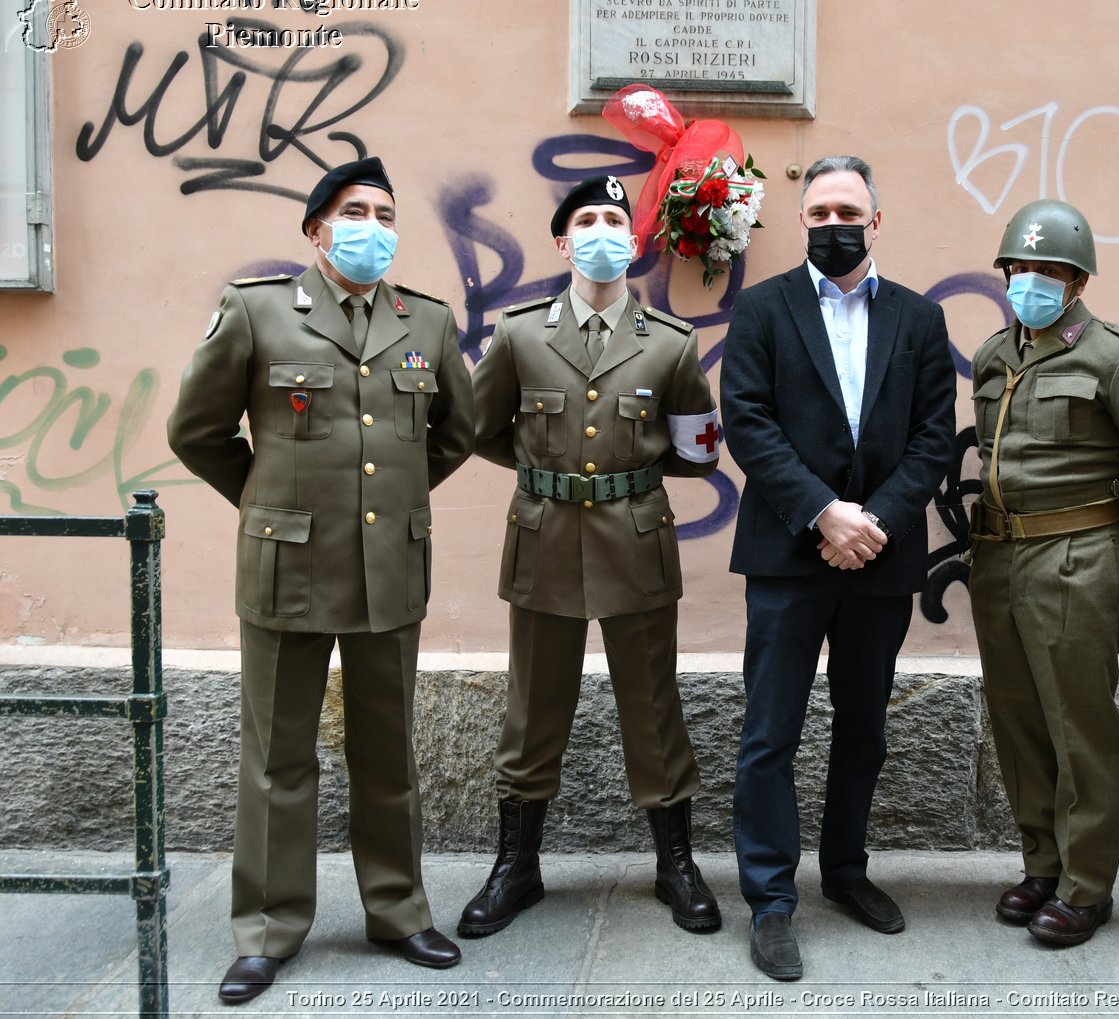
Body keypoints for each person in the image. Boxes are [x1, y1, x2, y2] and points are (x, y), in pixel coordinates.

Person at [166, 157, 475, 1005]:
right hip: (287, 565)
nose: (371, 226)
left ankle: (399, 910)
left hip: (388, 568)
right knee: (277, 758)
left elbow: (456, 431)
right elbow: (197, 430)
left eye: (384, 211)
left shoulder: (427, 323)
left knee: (390, 754)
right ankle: (267, 928)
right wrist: (268, 500)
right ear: (315, 229)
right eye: (352, 211)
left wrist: (393, 501)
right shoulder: (260, 311)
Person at [461, 174, 723, 939]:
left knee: (653, 705)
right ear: (562, 241)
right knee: (533, 706)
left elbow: (700, 451)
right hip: (543, 537)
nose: (604, 230)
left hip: (636, 539)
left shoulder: (673, 342)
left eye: (616, 218)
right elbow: (478, 427)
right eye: (588, 220)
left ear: (633, 240)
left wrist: (625, 476)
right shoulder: (518, 334)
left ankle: (675, 862)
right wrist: (545, 470)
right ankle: (518, 865)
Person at [721, 155, 958, 981]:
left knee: (863, 728)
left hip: (882, 561)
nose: (831, 224)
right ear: (802, 222)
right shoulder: (760, 309)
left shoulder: (921, 320)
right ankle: (771, 899)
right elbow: (747, 423)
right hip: (789, 554)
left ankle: (846, 871)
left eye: (846, 210)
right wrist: (825, 513)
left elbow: (935, 436)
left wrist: (874, 523)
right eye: (817, 212)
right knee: (769, 733)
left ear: (876, 221)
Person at [968, 199, 1119, 948]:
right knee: (1018, 718)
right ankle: (1042, 863)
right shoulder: (994, 355)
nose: (1031, 280)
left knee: (1078, 725)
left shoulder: (1118, 356)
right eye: (1020, 268)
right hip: (997, 556)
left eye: (1049, 270)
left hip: (1077, 557)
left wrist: (1104, 534)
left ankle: (1087, 884)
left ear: (1078, 278)